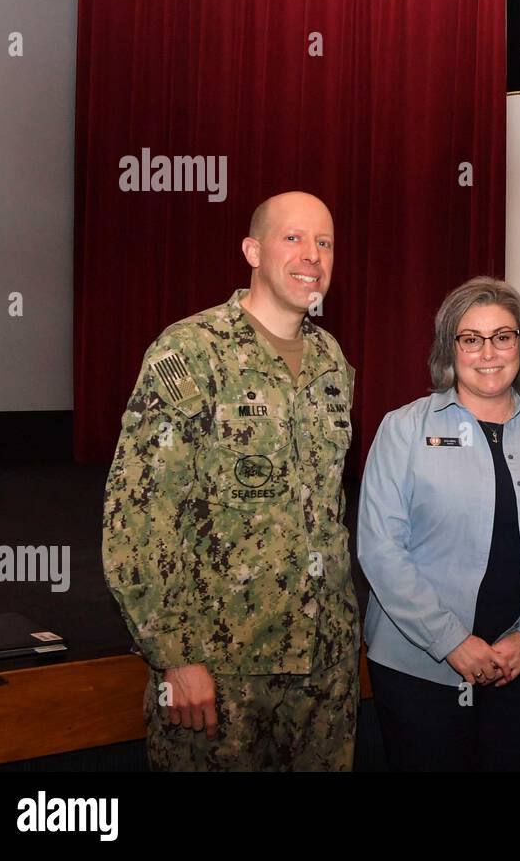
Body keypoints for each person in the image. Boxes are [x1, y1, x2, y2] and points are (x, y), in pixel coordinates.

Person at [102, 191, 358, 771]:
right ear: (252, 250)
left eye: (324, 243)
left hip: (323, 670)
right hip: (221, 669)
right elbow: (137, 519)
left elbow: (326, 509)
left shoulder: (332, 362)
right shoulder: (191, 351)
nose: (311, 256)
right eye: (292, 238)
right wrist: (175, 656)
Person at [358, 276, 520, 771]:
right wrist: (451, 641)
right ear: (451, 348)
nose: (487, 352)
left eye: (503, 336)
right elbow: (381, 549)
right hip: (420, 669)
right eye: (471, 338)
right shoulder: (403, 430)